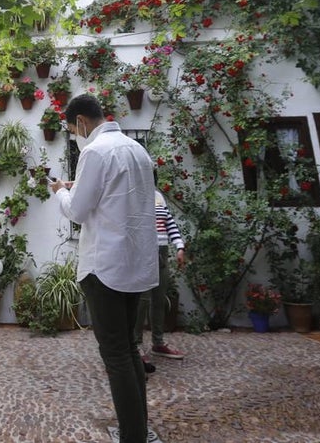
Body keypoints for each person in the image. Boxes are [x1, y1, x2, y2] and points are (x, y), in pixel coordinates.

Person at [51, 94, 158, 443]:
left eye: (72, 131)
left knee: (115, 354)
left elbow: (77, 211)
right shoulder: (137, 150)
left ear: (81, 122)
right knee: (128, 349)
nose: (75, 137)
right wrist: (76, 188)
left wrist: (60, 192)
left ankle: (132, 436)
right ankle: (138, 429)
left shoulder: (94, 152)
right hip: (135, 264)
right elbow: (115, 198)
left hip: (105, 267)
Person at [138, 190, 186, 363]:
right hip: (142, 253)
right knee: (141, 301)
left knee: (159, 299)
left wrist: (179, 246)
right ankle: (136, 345)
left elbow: (169, 222)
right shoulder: (131, 192)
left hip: (162, 253)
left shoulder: (158, 196)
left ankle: (158, 343)